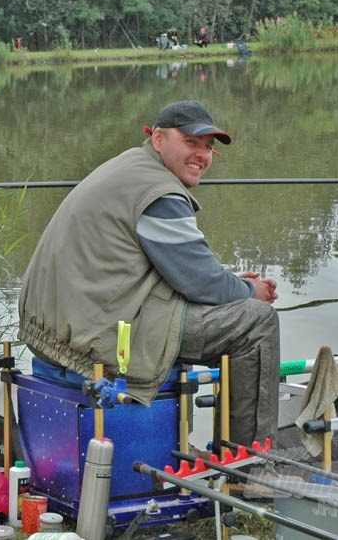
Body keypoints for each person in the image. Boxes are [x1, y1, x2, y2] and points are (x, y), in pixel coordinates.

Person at [17, 100, 280, 447]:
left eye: (209, 149)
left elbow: (184, 269)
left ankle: (220, 454)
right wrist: (251, 293)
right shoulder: (160, 194)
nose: (201, 155)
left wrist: (235, 285)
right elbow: (200, 280)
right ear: (158, 138)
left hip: (59, 328)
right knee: (256, 323)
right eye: (191, 143)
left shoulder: (131, 166)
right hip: (100, 335)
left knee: (235, 304)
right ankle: (251, 468)